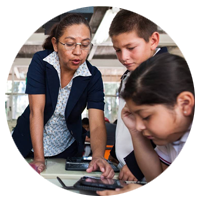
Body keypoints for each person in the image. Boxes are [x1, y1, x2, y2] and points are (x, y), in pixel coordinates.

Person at [11, 14, 114, 179]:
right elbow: (36, 111)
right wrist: (39, 158)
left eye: (85, 45)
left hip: (68, 147)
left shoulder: (93, 76)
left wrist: (98, 156)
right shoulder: (41, 62)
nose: (78, 52)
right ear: (55, 44)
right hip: (32, 144)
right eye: (70, 44)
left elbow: (96, 124)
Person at [97, 53, 195, 196]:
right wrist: (134, 131)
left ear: (185, 104)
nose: (139, 126)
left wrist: (150, 196)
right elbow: (156, 177)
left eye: (146, 116)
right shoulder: (173, 134)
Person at [108, 6, 167, 181]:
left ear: (153, 40)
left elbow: (167, 129)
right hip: (125, 166)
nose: (123, 57)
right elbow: (126, 119)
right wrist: (115, 153)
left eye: (131, 47)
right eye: (118, 50)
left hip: (149, 170)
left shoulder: (166, 74)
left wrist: (135, 164)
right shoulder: (130, 73)